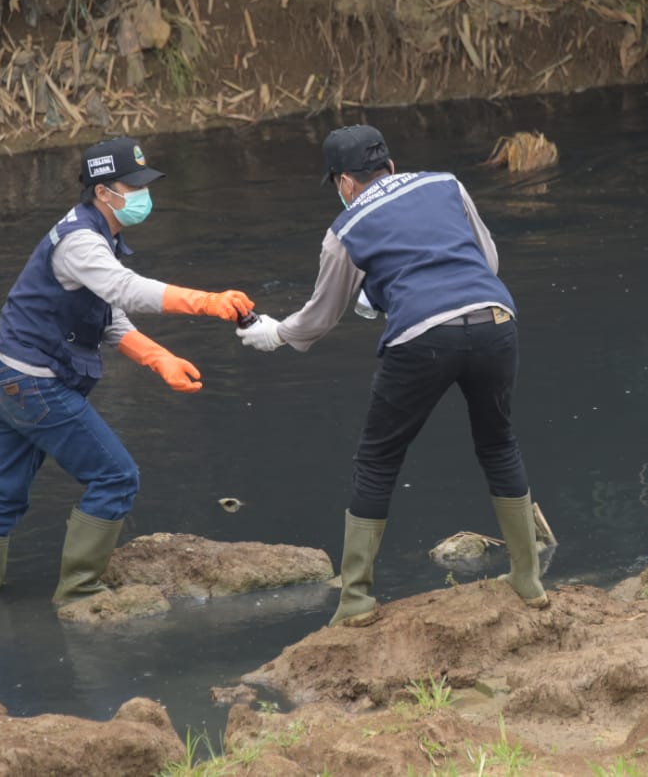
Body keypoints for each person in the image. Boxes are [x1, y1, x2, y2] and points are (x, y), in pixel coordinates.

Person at [235, 124, 549, 626]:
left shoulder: (344, 230)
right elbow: (486, 260)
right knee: (498, 443)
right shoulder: (448, 183)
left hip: (422, 338)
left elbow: (319, 318)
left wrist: (275, 334)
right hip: (495, 319)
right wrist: (387, 293)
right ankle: (528, 579)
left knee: (378, 459)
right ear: (390, 165)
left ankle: (356, 601)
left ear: (343, 183)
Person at [0, 136, 254, 605]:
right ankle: (80, 592)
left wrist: (157, 357)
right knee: (116, 477)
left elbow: (107, 309)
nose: (142, 194)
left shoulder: (99, 233)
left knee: (4, 496)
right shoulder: (81, 241)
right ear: (103, 191)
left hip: (4, 379)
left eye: (145, 182)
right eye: (132, 185)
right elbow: (125, 289)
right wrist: (206, 302)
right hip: (35, 385)